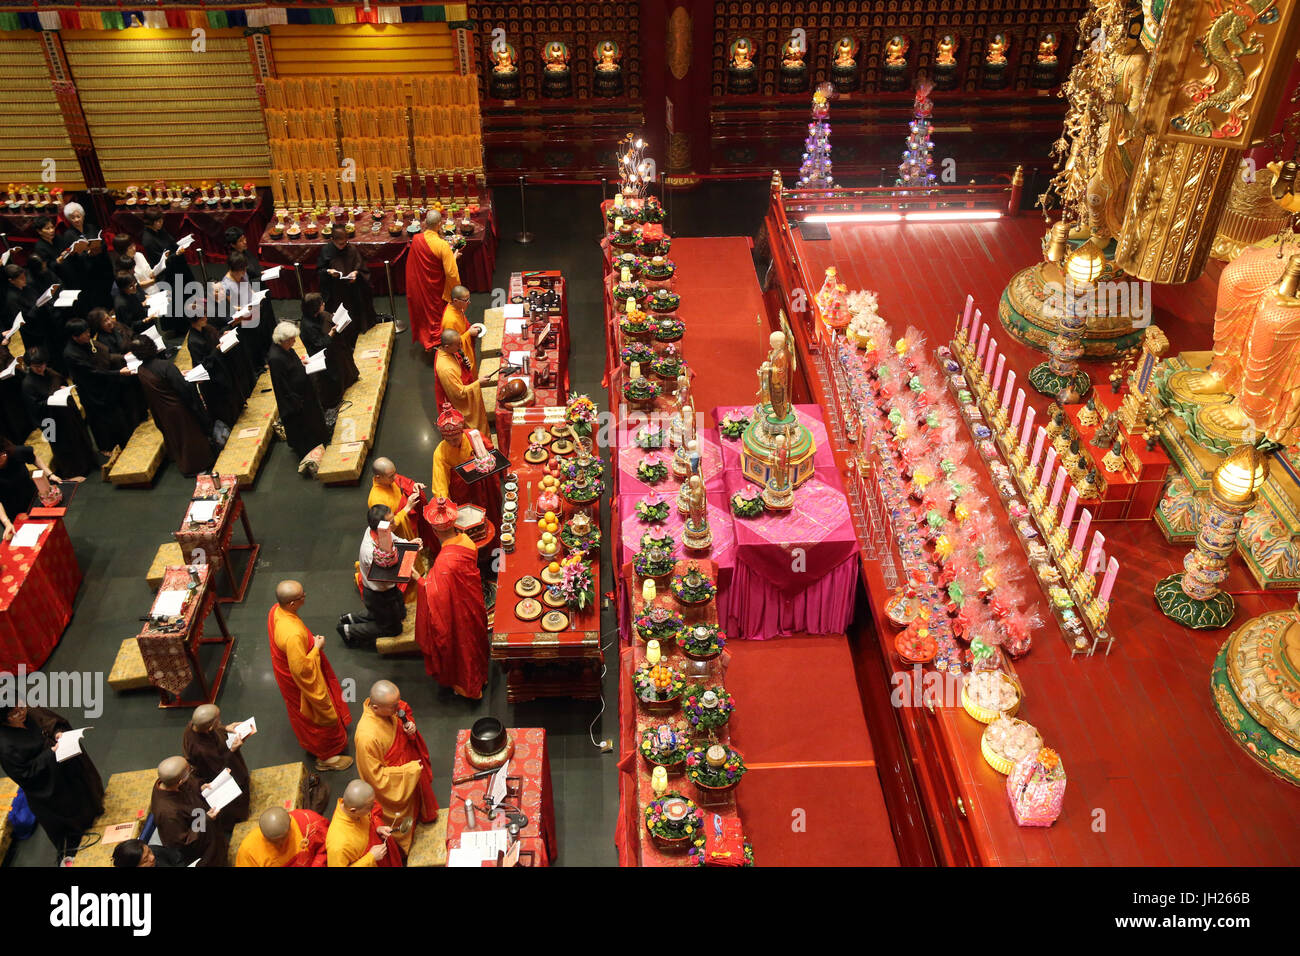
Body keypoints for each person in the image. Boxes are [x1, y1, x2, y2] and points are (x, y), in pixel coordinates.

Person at [267, 580, 354, 771]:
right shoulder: (292, 634)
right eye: (302, 596)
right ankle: (327, 755)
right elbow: (302, 671)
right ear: (291, 604)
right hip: (301, 682)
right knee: (318, 715)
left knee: (301, 714)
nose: (305, 597)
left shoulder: (275, 610)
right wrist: (316, 648)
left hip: (287, 672)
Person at [0, 703, 104, 860]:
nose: (21, 713)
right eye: (14, 713)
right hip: (47, 785)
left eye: (21, 707)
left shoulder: (30, 713)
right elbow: (24, 774)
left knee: (85, 798)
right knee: (70, 828)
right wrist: (50, 754)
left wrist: (56, 733)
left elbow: (50, 723)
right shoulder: (5, 746)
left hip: (66, 769)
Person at [416, 497, 488, 698]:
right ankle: (482, 677)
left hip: (456, 612)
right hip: (472, 601)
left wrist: (419, 580)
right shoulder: (466, 540)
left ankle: (469, 688)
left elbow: (435, 594)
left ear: (435, 530)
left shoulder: (444, 563)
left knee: (462, 646)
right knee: (476, 640)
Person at [354, 680, 438, 856]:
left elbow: (403, 714)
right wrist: (408, 772)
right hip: (398, 780)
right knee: (402, 820)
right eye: (393, 706)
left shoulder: (389, 708)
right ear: (375, 707)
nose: (397, 709)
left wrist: (410, 727)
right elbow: (375, 777)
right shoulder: (366, 737)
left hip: (407, 764)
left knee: (417, 800)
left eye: (397, 703)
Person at [131, 335, 215, 476]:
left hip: (162, 409)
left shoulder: (141, 370)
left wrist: (178, 376)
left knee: (177, 437)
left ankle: (184, 463)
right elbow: (183, 388)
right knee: (190, 437)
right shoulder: (165, 366)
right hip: (178, 407)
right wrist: (192, 382)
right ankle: (197, 466)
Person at [338, 504, 418, 648]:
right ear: (381, 527)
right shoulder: (370, 552)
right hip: (378, 593)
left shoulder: (377, 530)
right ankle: (349, 631)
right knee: (392, 628)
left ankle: (350, 618)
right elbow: (388, 572)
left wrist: (409, 544)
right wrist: (407, 565)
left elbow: (394, 540)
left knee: (400, 613)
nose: (395, 523)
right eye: (391, 522)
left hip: (389, 589)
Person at [429, 404, 501, 548]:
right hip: (463, 494)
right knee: (470, 524)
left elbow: (490, 452)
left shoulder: (473, 436)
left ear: (461, 431)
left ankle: (496, 542)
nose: (454, 443)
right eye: (449, 440)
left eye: (456, 438)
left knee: (492, 513)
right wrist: (444, 504)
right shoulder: (440, 452)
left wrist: (484, 461)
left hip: (483, 485)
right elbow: (440, 483)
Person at [20, 348, 97, 478]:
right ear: (30, 366)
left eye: (43, 364)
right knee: (64, 447)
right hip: (50, 420)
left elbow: (61, 381)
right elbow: (35, 407)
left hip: (65, 412)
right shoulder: (28, 384)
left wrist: (63, 389)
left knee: (77, 437)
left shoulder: (50, 372)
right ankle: (74, 472)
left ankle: (88, 463)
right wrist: (52, 397)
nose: (41, 368)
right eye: (36, 366)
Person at [62, 316, 134, 455]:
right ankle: (106, 447)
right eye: (84, 333)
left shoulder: (87, 342)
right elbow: (92, 371)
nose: (89, 335)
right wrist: (118, 372)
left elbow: (103, 354)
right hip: (91, 390)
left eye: (88, 331)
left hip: (104, 383)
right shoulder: (70, 354)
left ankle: (123, 440)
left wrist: (122, 357)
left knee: (115, 414)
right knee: (100, 421)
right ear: (75, 337)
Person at [268, 321, 331, 476]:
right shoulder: (275, 357)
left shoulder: (286, 349)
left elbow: (293, 361)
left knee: (313, 417)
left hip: (304, 392)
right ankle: (309, 447)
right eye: (291, 340)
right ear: (282, 340)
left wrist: (300, 363)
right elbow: (281, 385)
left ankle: (320, 438)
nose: (294, 342)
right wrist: (295, 401)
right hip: (295, 399)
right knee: (303, 424)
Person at [149, 755, 230, 867]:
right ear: (180, 781)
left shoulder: (165, 782)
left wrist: (200, 788)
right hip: (199, 842)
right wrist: (205, 819)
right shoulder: (167, 813)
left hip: (199, 815)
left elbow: (189, 785)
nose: (191, 771)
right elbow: (184, 841)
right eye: (189, 770)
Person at [182, 704, 250, 824]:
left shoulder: (193, 725)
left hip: (215, 760)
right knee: (237, 796)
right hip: (214, 773)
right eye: (217, 721)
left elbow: (213, 728)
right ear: (210, 727)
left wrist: (225, 728)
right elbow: (219, 769)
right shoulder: (201, 750)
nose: (220, 722)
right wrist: (232, 750)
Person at [406, 209, 461, 351]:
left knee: (426, 313)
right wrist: (453, 258)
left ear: (425, 223)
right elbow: (451, 273)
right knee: (438, 314)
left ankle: (428, 340)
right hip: (437, 286)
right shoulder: (442, 245)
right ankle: (439, 342)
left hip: (422, 284)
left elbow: (412, 265)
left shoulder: (417, 239)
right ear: (439, 224)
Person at [0, 438, 78, 536]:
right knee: (24, 537)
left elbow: (33, 458)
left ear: (5, 452)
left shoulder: (16, 452)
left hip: (31, 498)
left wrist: (50, 474)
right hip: (9, 509)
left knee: (46, 530)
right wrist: (6, 522)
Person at [299, 293, 358, 414]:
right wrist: (332, 332)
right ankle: (334, 399)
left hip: (330, 348)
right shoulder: (308, 326)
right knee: (332, 374)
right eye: (321, 304)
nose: (324, 304)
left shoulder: (316, 315)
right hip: (322, 354)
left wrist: (334, 318)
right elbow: (320, 344)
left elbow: (325, 319)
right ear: (315, 308)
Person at [140, 205, 195, 333]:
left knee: (187, 295)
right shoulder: (148, 240)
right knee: (177, 301)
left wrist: (179, 246)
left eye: (161, 220)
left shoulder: (160, 231)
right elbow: (160, 262)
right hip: (168, 275)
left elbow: (171, 244)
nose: (161, 223)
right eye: (158, 221)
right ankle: (182, 328)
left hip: (178, 267)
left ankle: (190, 319)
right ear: (150, 222)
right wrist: (177, 254)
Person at [186, 311, 243, 428]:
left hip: (221, 367)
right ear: (194, 321)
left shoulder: (207, 328)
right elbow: (202, 364)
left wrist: (223, 335)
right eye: (202, 317)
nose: (206, 318)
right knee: (222, 404)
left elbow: (215, 336)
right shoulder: (193, 341)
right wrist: (216, 350)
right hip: (212, 377)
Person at [325, 779, 401, 867]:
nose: (373, 808)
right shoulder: (337, 844)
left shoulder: (351, 808)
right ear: (353, 810)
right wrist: (371, 858)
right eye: (370, 807)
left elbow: (367, 820)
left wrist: (377, 829)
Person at [215, 251, 270, 371]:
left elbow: (249, 288)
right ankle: (257, 366)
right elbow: (232, 306)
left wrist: (257, 297)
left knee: (259, 336)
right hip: (243, 315)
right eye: (241, 271)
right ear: (232, 269)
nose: (244, 273)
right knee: (250, 342)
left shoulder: (243, 274)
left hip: (252, 309)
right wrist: (247, 308)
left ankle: (263, 359)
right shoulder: (226, 284)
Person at [317, 228, 375, 339]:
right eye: (340, 243)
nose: (343, 245)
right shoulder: (326, 250)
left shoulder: (351, 248)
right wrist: (329, 271)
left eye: (345, 242)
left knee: (356, 310)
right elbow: (320, 270)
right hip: (335, 289)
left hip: (352, 287)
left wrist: (356, 272)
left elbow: (360, 265)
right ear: (332, 240)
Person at [434, 326, 492, 437]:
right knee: (474, 432)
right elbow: (458, 393)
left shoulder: (446, 351)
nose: (461, 346)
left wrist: (463, 364)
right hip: (460, 403)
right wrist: (478, 383)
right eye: (458, 344)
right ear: (447, 346)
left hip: (464, 385)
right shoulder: (445, 368)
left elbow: (458, 367)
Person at [56, 202, 112, 313]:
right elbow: (70, 255)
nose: (76, 220)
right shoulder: (68, 235)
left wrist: (99, 247)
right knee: (93, 296)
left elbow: (102, 242)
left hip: (99, 265)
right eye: (72, 218)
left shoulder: (91, 227)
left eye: (78, 216)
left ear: (83, 216)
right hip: (85, 272)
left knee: (105, 290)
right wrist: (86, 253)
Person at [234, 806, 328, 867]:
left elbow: (326, 846)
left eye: (284, 838)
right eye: (274, 841)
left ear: (290, 825)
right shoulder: (249, 851)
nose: (281, 844)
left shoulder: (308, 823)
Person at [367, 455, 428, 543]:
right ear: (378, 477)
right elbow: (387, 529)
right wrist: (407, 508)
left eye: (395, 473)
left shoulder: (389, 479)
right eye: (391, 476)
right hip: (399, 534)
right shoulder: (376, 500)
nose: (395, 477)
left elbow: (403, 482)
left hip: (409, 524)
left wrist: (413, 486)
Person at [112, 269, 150, 334]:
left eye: (134, 284)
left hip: (145, 324)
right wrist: (145, 320)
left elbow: (139, 309)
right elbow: (129, 326)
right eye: (130, 286)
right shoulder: (121, 304)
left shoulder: (130, 293)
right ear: (122, 288)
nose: (135, 287)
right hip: (137, 333)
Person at [111, 839, 185, 868]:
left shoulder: (154, 850)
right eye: (145, 860)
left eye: (149, 851)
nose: (152, 857)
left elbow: (178, 858)